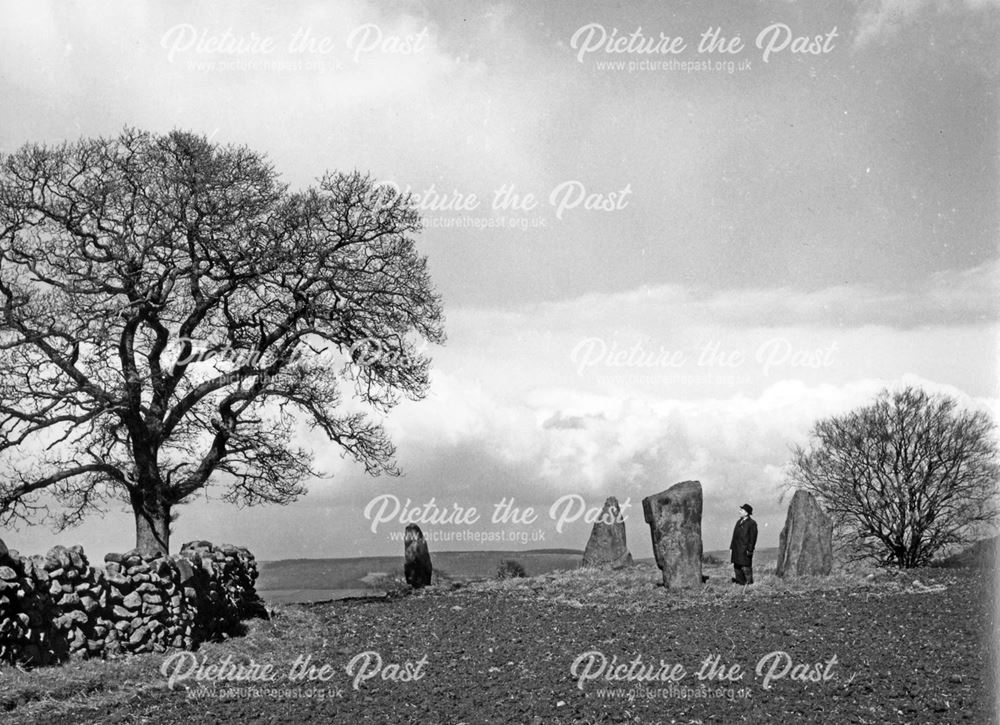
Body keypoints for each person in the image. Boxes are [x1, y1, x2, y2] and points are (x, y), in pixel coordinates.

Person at [730, 503, 758, 585]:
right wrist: (731, 548)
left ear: (746, 513)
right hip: (736, 549)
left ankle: (749, 585)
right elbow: (734, 536)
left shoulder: (752, 523)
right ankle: (740, 584)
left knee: (746, 567)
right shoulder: (738, 522)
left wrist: (750, 550)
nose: (739, 512)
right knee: (737, 567)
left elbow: (753, 538)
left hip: (745, 550)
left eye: (741, 510)